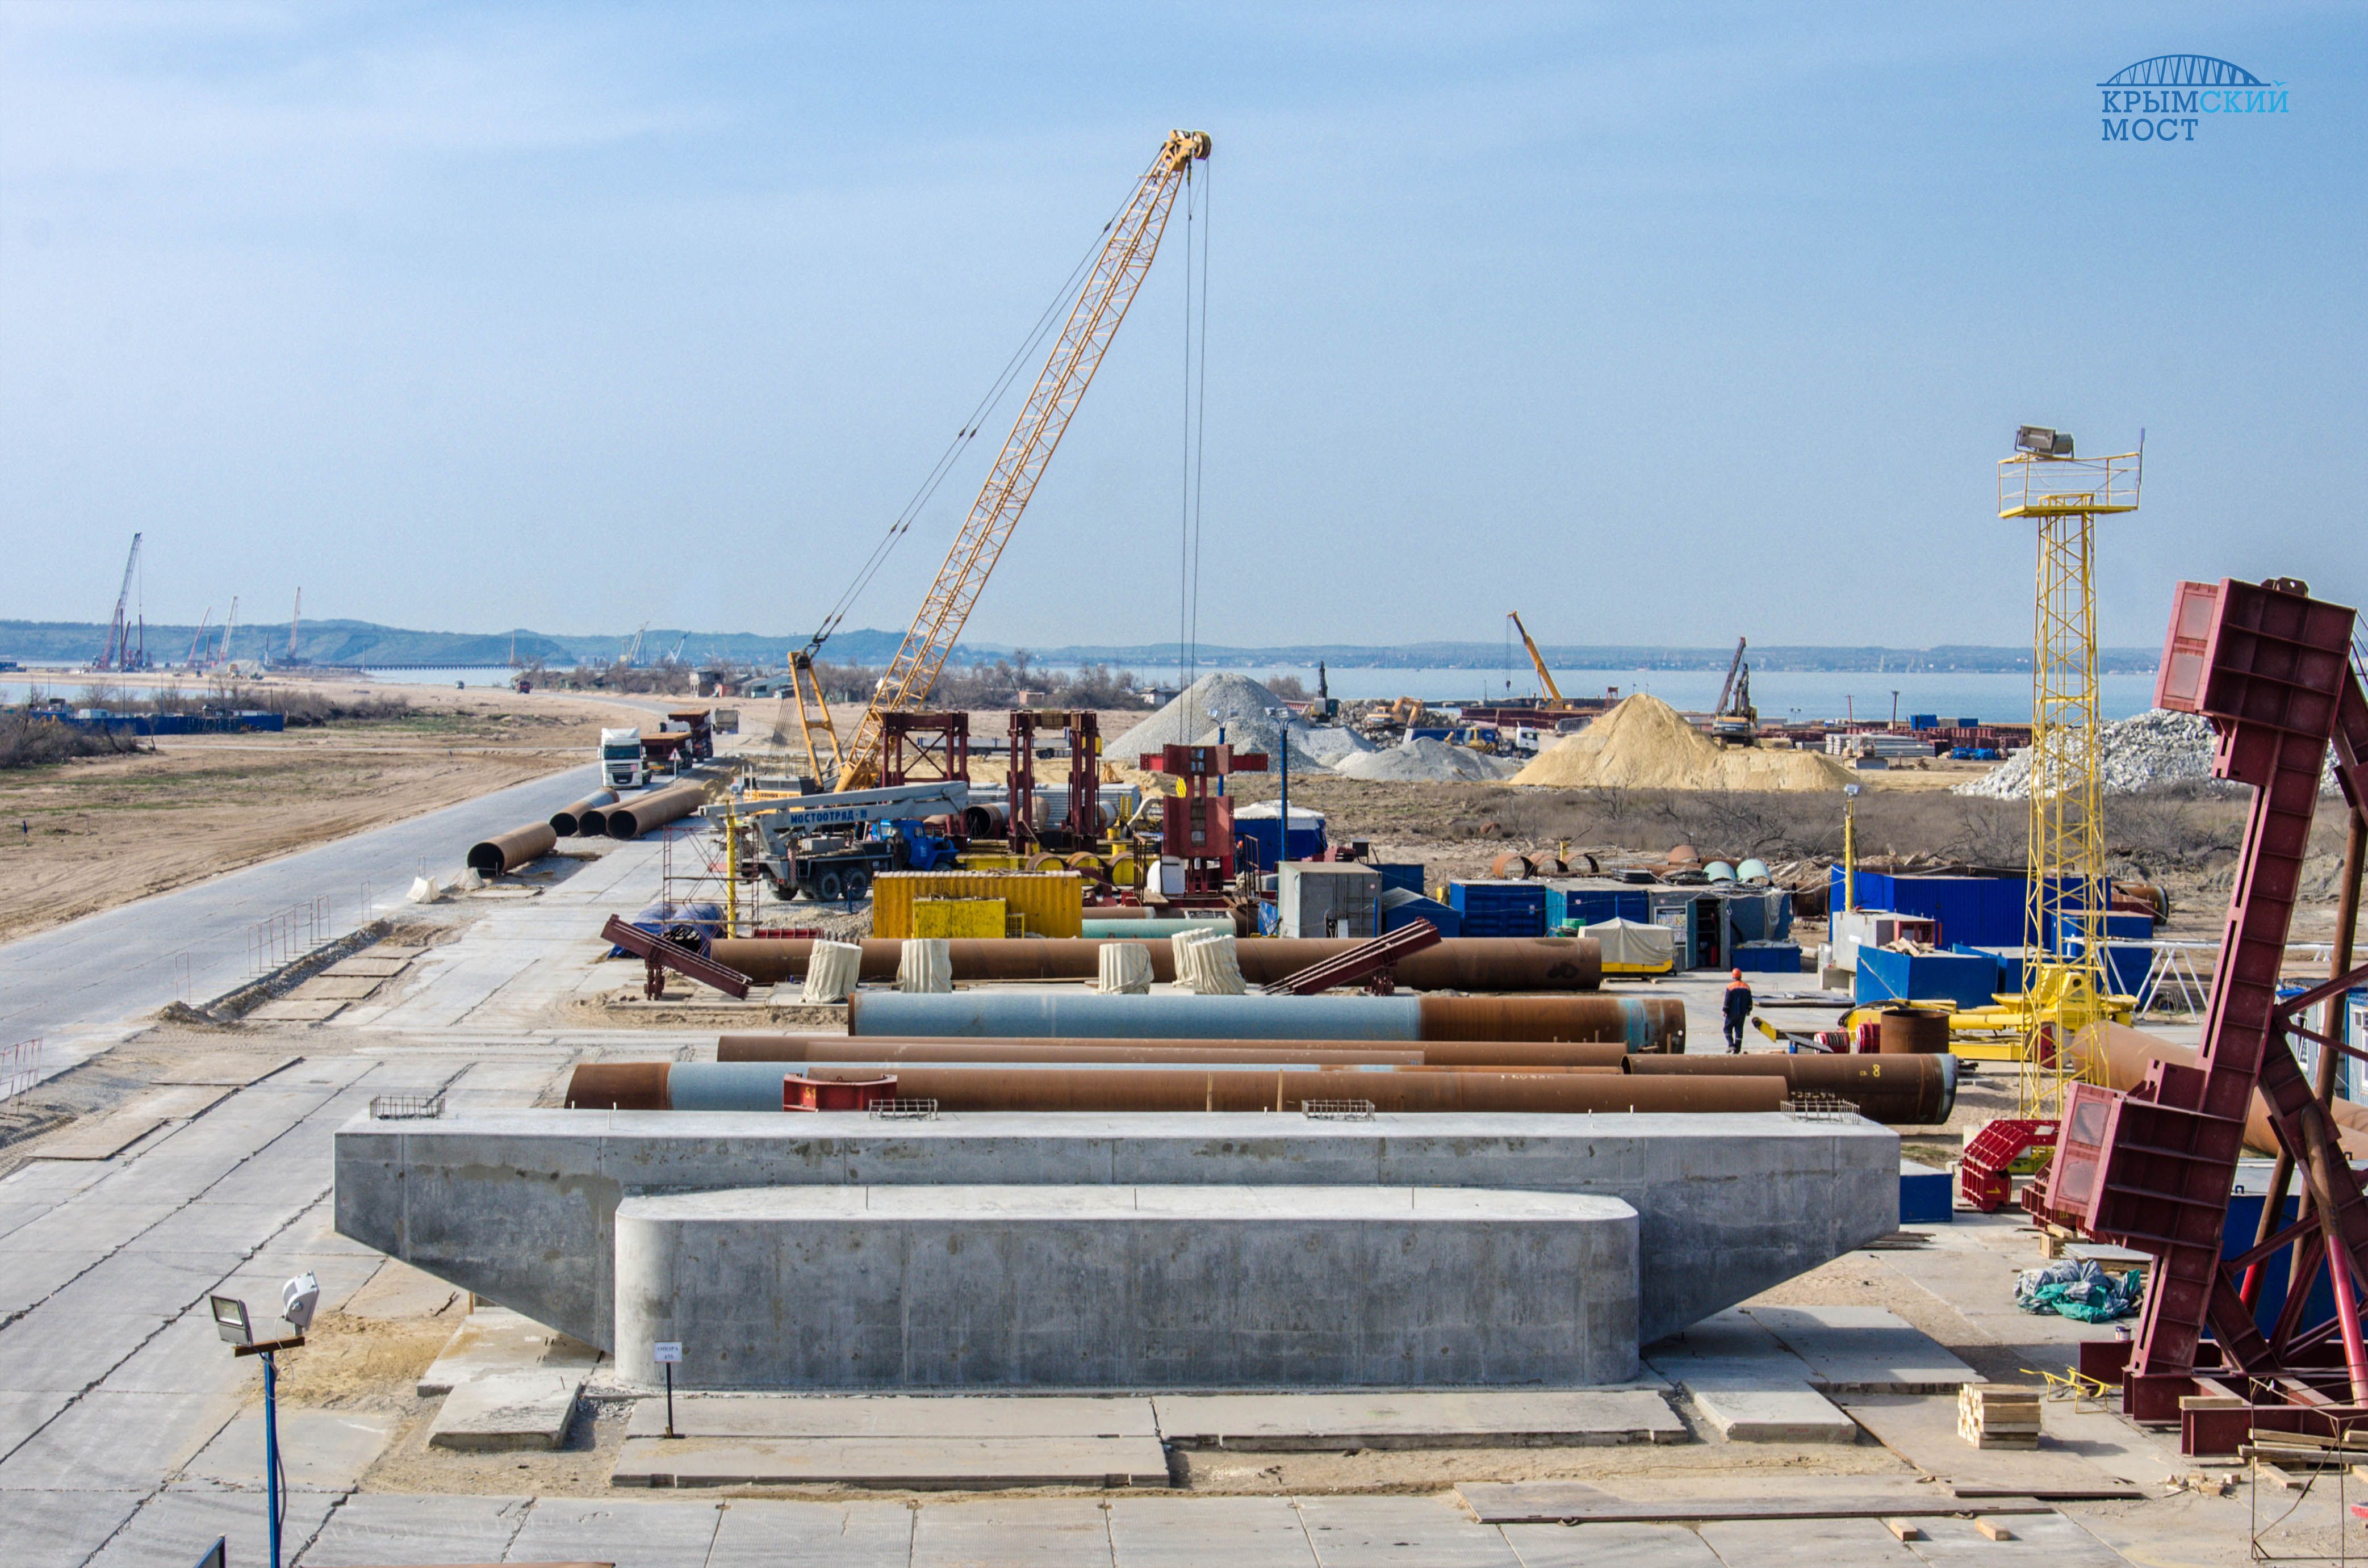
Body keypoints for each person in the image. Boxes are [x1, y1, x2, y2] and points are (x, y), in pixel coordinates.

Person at [1722, 967, 1754, 1053]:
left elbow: (1727, 1000)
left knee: (1727, 1029)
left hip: (1731, 1013)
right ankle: (1737, 1050)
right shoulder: (1746, 987)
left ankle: (1731, 1045)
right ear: (1741, 976)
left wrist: (1725, 1010)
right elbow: (1750, 1000)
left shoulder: (1730, 987)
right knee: (1739, 1030)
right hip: (1742, 1013)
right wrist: (1749, 1009)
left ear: (1733, 976)